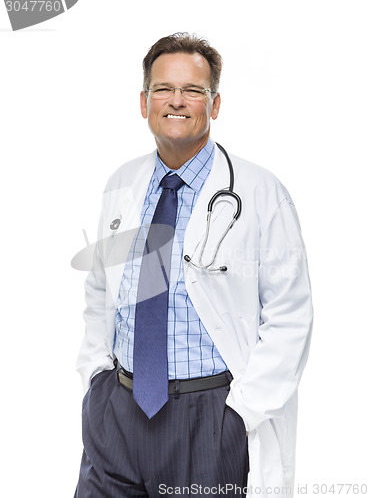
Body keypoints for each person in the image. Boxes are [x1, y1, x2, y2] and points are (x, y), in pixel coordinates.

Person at [74, 32, 313, 498]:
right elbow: (101, 291)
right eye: (163, 89)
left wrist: (238, 416)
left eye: (193, 91)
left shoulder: (261, 192)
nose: (176, 101)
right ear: (144, 103)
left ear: (215, 105)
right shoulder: (122, 182)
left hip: (207, 417)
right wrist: (96, 382)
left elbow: (291, 316)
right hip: (117, 413)